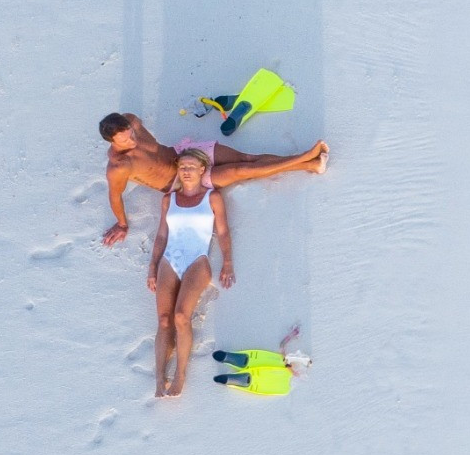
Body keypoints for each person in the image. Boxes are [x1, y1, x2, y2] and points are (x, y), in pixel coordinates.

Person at [99, 112, 325, 246]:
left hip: (182, 154)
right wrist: (122, 224)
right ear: (112, 141)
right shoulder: (119, 167)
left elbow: (143, 136)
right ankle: (304, 159)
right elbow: (115, 196)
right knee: (241, 170)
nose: (133, 141)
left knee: (247, 157)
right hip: (181, 181)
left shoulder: (131, 120)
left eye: (131, 135)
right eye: (125, 141)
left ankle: (311, 164)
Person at [147, 149, 233, 397]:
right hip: (169, 259)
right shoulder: (169, 200)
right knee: (164, 320)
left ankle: (180, 374)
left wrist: (227, 262)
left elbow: (224, 232)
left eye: (191, 166)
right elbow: (162, 235)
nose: (185, 171)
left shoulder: (212, 197)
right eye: (182, 166)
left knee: (181, 317)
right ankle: (159, 376)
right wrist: (152, 266)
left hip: (197, 260)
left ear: (202, 170)